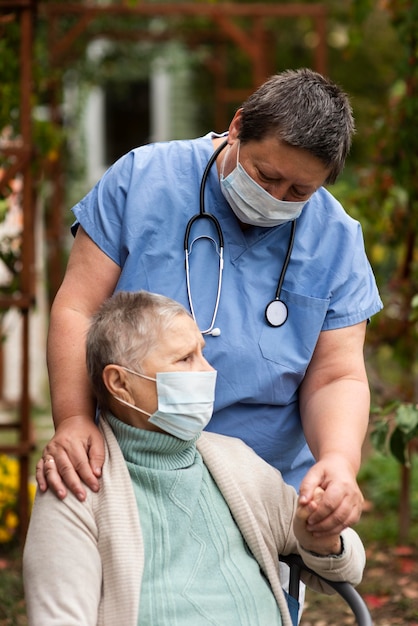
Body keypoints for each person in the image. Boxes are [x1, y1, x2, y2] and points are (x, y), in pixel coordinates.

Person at [38, 67, 382, 536]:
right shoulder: (142, 180)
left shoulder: (335, 240)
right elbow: (77, 308)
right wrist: (74, 419)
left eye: (299, 191)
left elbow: (337, 375)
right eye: (266, 175)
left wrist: (340, 461)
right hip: (131, 468)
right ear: (238, 126)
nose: (275, 198)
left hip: (264, 487)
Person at [24, 291, 366, 626]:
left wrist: (321, 538)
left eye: (202, 353)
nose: (207, 371)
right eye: (185, 359)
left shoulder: (236, 464)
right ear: (119, 382)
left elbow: (348, 568)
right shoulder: (75, 484)